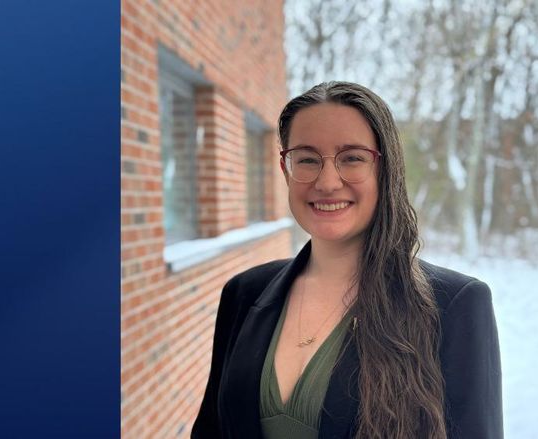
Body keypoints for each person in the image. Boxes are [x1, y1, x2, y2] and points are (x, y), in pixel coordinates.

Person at [191, 81, 502, 439]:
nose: (326, 182)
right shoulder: (243, 294)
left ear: (385, 169)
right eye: (306, 159)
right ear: (284, 168)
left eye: (352, 158)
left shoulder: (456, 304)